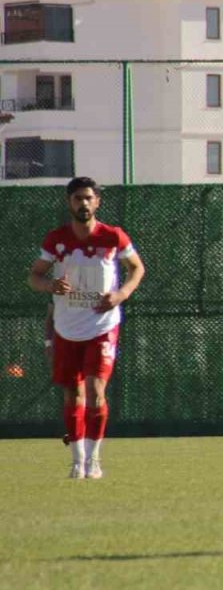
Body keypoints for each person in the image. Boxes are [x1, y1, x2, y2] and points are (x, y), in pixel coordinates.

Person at [27, 177, 146, 480]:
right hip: (67, 327)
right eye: (78, 198)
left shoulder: (113, 237)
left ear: (97, 202)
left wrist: (121, 294)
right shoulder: (57, 239)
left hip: (102, 325)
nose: (83, 203)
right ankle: (77, 460)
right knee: (72, 394)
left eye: (88, 198)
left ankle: (94, 460)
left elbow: (137, 268)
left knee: (95, 391)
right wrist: (49, 285)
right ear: (70, 202)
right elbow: (35, 277)